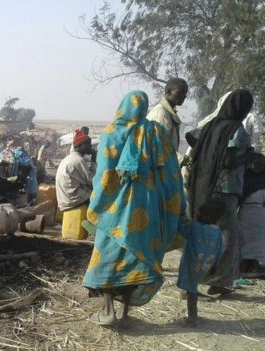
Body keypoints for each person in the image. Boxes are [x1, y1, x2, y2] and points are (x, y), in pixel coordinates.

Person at [83, 90, 186, 326]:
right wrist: (173, 206)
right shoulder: (156, 133)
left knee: (109, 256)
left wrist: (96, 205)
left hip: (116, 209)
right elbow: (171, 173)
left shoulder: (111, 134)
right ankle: (125, 313)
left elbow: (105, 175)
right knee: (136, 258)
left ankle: (108, 312)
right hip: (148, 207)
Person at [186, 89, 254, 296]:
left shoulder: (209, 126)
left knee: (200, 234)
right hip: (225, 191)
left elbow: (192, 138)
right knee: (228, 236)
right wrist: (248, 156)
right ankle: (218, 282)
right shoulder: (238, 131)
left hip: (202, 186)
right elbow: (229, 160)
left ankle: (191, 279)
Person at [177, 200, 224, 325]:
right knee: (193, 286)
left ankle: (192, 317)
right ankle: (193, 314)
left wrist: (178, 216)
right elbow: (219, 250)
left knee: (192, 291)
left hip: (192, 263)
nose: (197, 214)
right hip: (206, 266)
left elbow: (181, 230)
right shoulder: (218, 231)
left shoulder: (193, 226)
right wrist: (215, 266)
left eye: (200, 213)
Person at [238, 153, 265, 274]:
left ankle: (254, 264)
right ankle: (243, 264)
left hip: (260, 212)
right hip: (246, 212)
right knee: (245, 239)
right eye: (256, 163)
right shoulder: (244, 176)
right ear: (249, 164)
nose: (259, 167)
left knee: (258, 240)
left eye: (261, 164)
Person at [55, 130, 96, 211]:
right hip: (73, 200)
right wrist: (94, 160)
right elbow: (92, 181)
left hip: (64, 199)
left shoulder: (69, 158)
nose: (90, 147)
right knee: (100, 199)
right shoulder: (78, 160)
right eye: (88, 144)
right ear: (79, 146)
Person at [146, 78, 188, 152]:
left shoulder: (168, 113)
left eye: (185, 93)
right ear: (168, 92)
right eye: (181, 92)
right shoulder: (161, 115)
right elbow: (162, 148)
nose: (184, 96)